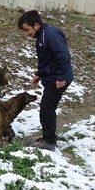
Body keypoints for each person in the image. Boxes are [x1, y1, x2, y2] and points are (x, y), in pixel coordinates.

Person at [18, 10, 73, 151]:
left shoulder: (50, 34)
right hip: (53, 77)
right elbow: (48, 59)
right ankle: (50, 137)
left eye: (27, 29)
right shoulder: (43, 36)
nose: (27, 33)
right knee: (48, 108)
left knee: (46, 108)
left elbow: (63, 56)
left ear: (36, 25)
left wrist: (61, 77)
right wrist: (39, 74)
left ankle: (49, 141)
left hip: (58, 79)